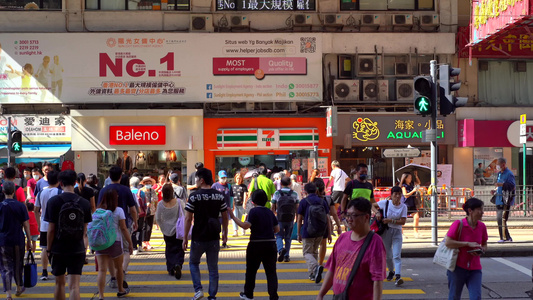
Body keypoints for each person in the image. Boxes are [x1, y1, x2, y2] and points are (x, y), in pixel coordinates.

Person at [316, 197, 386, 300]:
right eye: (348, 215)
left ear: (366, 217)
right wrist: (321, 294)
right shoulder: (342, 238)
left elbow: (377, 280)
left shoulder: (375, 242)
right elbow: (332, 270)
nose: (349, 219)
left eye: (353, 215)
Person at [44, 170, 93, 300]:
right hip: (77, 247)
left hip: (58, 248)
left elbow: (51, 229)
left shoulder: (53, 202)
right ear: (75, 182)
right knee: (75, 286)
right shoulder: (84, 203)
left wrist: (48, 249)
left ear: (60, 183)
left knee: (59, 284)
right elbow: (84, 229)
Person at [182, 168, 228, 300]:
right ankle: (212, 296)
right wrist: (225, 233)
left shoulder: (194, 196)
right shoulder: (219, 195)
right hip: (214, 237)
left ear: (201, 180)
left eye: (196, 178)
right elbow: (224, 217)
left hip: (198, 237)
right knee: (213, 268)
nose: (195, 181)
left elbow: (188, 218)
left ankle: (198, 290)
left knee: (193, 263)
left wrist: (185, 237)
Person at [229, 190, 279, 300]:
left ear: (253, 201)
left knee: (251, 271)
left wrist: (233, 217)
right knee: (271, 272)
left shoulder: (253, 212)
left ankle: (248, 294)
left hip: (255, 245)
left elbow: (245, 225)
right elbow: (277, 229)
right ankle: (273, 295)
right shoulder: (270, 212)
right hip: (271, 245)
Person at [97, 166, 138, 288]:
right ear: (121, 176)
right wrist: (135, 221)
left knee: (109, 253)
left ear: (109, 176)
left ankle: (114, 277)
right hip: (122, 223)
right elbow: (132, 209)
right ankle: (122, 272)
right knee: (125, 250)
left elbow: (99, 208)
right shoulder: (126, 190)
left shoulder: (103, 190)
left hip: (106, 225)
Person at [445, 198, 488, 300]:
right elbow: (448, 242)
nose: (482, 212)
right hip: (457, 267)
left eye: (482, 209)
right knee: (454, 296)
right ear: (470, 211)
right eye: (479, 209)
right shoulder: (458, 224)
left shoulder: (482, 226)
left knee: (476, 296)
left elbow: (485, 244)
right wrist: (467, 244)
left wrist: (482, 250)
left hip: (475, 268)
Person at [94, 189, 133, 299]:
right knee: (118, 268)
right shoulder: (119, 210)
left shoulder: (98, 211)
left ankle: (101, 295)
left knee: (102, 270)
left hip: (100, 243)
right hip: (115, 242)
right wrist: (130, 243)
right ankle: (120, 290)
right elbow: (124, 228)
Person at [0, 181, 31, 299]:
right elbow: (26, 224)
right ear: (14, 191)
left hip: (3, 241)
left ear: (3, 192)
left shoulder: (1, 206)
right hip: (18, 239)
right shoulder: (21, 206)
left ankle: (8, 294)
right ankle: (18, 288)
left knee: (5, 267)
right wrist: (29, 240)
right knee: (18, 264)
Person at [372, 186, 407, 286]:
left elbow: (403, 221)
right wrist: (377, 212)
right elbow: (372, 205)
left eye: (399, 194)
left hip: (397, 232)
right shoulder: (385, 203)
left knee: (396, 255)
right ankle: (391, 271)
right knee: (388, 256)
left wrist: (391, 220)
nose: (397, 196)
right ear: (391, 195)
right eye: (395, 194)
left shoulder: (403, 207)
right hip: (386, 232)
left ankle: (398, 276)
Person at [297, 182, 330, 284]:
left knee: (307, 253)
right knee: (314, 252)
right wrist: (328, 233)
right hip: (320, 231)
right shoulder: (322, 201)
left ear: (305, 191)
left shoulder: (303, 201)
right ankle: (312, 274)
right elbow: (327, 218)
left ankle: (316, 268)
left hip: (308, 231)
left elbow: (299, 219)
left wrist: (299, 233)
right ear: (316, 190)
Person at [155, 184, 185, 279]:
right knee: (179, 248)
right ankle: (178, 264)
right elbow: (185, 214)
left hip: (167, 231)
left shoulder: (160, 204)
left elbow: (158, 218)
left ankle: (171, 268)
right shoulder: (179, 202)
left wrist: (163, 226)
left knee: (169, 249)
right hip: (178, 229)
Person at [35, 170, 60, 281]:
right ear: (58, 180)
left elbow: (36, 210)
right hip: (57, 226)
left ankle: (44, 271)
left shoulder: (41, 193)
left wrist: (39, 223)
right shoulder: (60, 192)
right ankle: (57, 269)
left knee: (44, 249)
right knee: (57, 248)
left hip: (44, 225)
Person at [313, 178, 342, 270]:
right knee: (322, 244)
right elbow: (334, 213)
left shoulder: (308, 199)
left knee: (312, 246)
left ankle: (313, 265)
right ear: (324, 188)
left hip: (311, 224)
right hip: (324, 224)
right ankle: (320, 263)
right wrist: (338, 226)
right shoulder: (328, 199)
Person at [271, 176, 299, 263]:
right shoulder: (294, 194)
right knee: (288, 237)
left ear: (281, 184)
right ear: (290, 183)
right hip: (290, 218)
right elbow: (297, 207)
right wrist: (297, 217)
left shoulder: (277, 193)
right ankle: (286, 256)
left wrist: (274, 215)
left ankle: (280, 250)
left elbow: (273, 206)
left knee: (278, 235)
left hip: (279, 218)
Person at [493, 157, 515, 243]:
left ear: (503, 164)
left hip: (506, 199)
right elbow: (499, 186)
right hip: (499, 198)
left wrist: (501, 184)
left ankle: (503, 237)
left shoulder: (509, 174)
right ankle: (507, 237)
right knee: (500, 218)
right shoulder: (499, 174)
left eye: (498, 164)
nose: (497, 166)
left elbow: (512, 186)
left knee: (502, 218)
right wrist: (495, 190)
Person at [212, 170, 233, 247]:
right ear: (218, 177)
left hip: (226, 209)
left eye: (225, 177)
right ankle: (216, 241)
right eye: (222, 177)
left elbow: (231, 197)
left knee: (225, 226)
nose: (224, 179)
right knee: (217, 225)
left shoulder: (229, 186)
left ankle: (224, 241)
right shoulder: (214, 186)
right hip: (217, 210)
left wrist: (231, 207)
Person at [399, 171, 421, 238]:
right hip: (405, 203)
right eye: (409, 177)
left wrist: (416, 176)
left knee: (416, 216)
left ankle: (415, 232)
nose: (410, 179)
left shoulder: (411, 184)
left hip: (412, 203)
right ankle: (401, 233)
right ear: (405, 178)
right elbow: (405, 195)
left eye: (411, 177)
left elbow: (419, 183)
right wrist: (413, 191)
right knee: (403, 219)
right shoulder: (403, 186)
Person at [138, 176, 157, 250]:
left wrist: (155, 207)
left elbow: (155, 200)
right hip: (143, 211)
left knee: (149, 227)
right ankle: (143, 242)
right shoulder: (141, 191)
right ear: (143, 183)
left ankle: (147, 241)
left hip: (151, 211)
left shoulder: (153, 191)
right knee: (143, 227)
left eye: (149, 183)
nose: (148, 184)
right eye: (146, 183)